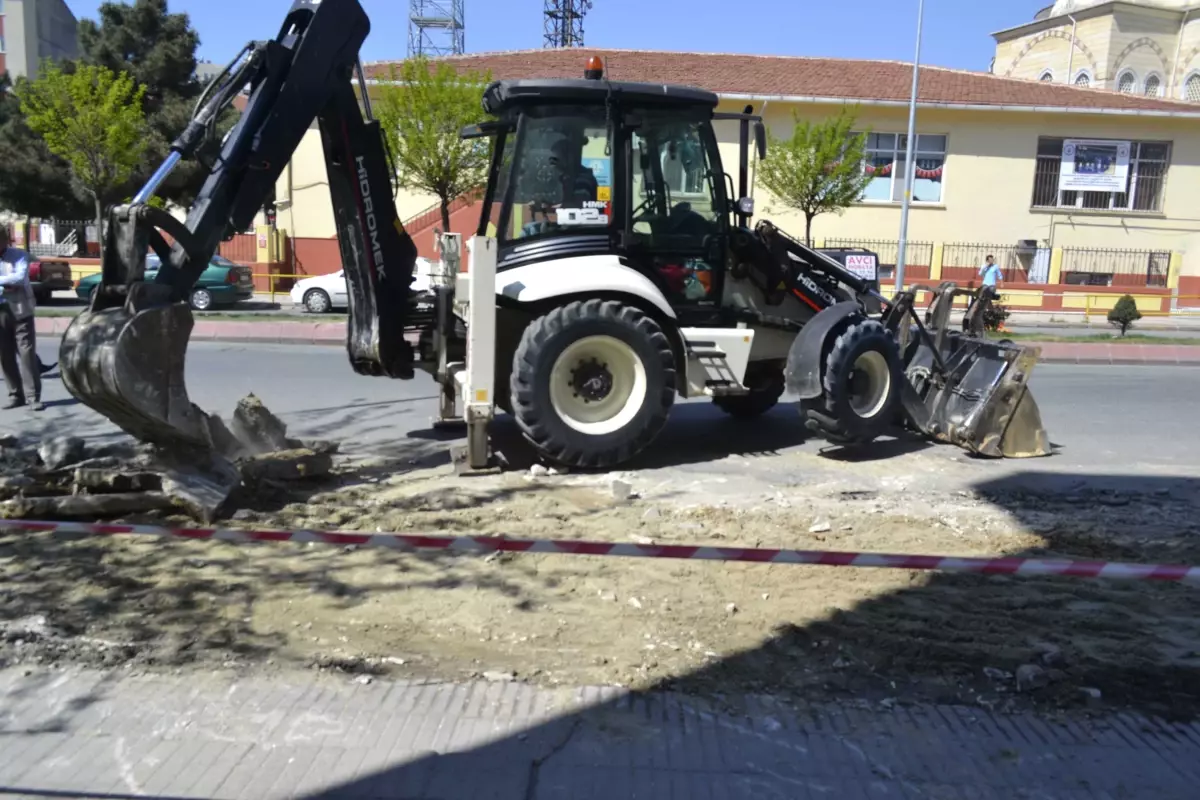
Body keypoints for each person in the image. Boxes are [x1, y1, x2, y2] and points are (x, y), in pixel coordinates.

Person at [0, 226, 43, 411]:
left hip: (20, 310)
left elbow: (18, 278)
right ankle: (15, 394)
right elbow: (10, 282)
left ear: (4, 240)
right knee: (4, 355)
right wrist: (5, 284)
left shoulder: (19, 255)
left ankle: (33, 397)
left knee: (26, 354)